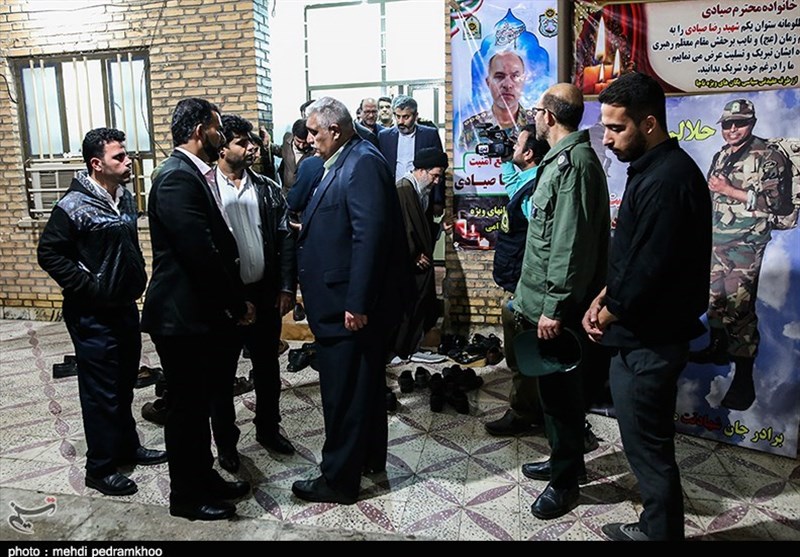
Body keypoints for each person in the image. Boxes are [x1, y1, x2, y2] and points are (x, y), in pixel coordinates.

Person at [584, 72, 712, 541]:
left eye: (617, 128)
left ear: (650, 123)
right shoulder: (654, 170)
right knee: (645, 440)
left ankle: (659, 534)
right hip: (641, 333)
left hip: (650, 341)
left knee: (648, 447)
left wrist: (607, 311)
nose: (607, 138)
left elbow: (650, 268)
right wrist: (605, 294)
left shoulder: (667, 179)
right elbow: (635, 252)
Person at [291, 97, 411, 505]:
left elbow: (369, 236)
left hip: (348, 305)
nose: (309, 139)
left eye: (314, 132)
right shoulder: (345, 159)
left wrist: (357, 302)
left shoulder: (361, 163)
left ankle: (339, 480)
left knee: (343, 394)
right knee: (364, 388)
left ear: (336, 130)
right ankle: (369, 458)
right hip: (344, 298)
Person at [37, 127, 166, 497]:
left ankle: (126, 446)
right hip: (91, 312)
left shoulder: (123, 198)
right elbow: (49, 253)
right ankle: (100, 467)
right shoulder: (72, 206)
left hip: (123, 305)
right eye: (119, 157)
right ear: (97, 164)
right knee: (101, 392)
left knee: (124, 382)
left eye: (126, 154)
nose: (128, 161)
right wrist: (89, 285)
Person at [141, 98, 253, 521]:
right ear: (198, 129)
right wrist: (235, 303)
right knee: (186, 412)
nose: (221, 135)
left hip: (195, 314)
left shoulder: (190, 173)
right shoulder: (175, 177)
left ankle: (204, 478)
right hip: (180, 316)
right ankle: (186, 497)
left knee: (198, 406)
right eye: (217, 127)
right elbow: (199, 253)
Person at [512, 84, 609, 521]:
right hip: (542, 302)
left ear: (548, 116)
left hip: (558, 308)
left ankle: (566, 481)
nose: (533, 117)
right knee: (552, 394)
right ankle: (561, 459)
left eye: (536, 110)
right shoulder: (559, 159)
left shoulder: (574, 164)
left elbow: (570, 246)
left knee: (563, 397)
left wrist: (553, 307)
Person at [688, 99, 793, 411]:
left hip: (745, 245)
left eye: (740, 123)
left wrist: (728, 190)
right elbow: (712, 194)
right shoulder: (723, 154)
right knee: (715, 300)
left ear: (752, 123)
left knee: (739, 309)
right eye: (727, 124)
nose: (733, 129)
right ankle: (718, 348)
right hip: (717, 240)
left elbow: (776, 204)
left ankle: (744, 380)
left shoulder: (768, 157)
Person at [210, 114, 298, 475]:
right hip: (226, 299)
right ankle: (227, 445)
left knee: (267, 369)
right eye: (242, 142)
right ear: (222, 147)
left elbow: (285, 238)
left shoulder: (266, 188)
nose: (252, 148)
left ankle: (268, 429)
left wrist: (286, 286)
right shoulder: (207, 189)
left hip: (264, 293)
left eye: (253, 142)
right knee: (221, 375)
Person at [484, 125, 548, 437]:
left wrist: (527, 288)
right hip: (515, 282)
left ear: (530, 153)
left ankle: (524, 414)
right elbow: (511, 180)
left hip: (525, 287)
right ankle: (530, 408)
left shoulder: (535, 193)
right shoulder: (525, 182)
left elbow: (539, 242)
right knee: (519, 352)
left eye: (518, 145)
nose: (513, 148)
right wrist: (506, 153)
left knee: (522, 353)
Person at [392, 147, 450, 363]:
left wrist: (440, 227)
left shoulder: (420, 191)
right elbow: (398, 231)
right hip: (407, 264)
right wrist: (414, 255)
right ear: (421, 170)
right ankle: (401, 350)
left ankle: (412, 346)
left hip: (420, 262)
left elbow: (421, 226)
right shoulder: (403, 190)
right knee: (406, 307)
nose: (437, 181)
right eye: (434, 176)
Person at [378, 95, 445, 230]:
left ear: (415, 116)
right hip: (394, 196)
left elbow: (438, 167)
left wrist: (438, 200)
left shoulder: (429, 135)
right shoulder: (384, 137)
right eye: (397, 116)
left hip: (422, 196)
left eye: (406, 117)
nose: (400, 121)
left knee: (421, 232)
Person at [459, 50, 536, 150]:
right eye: (499, 77)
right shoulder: (471, 128)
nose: (507, 85)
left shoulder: (537, 123)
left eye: (515, 76)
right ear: (488, 83)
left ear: (523, 81)